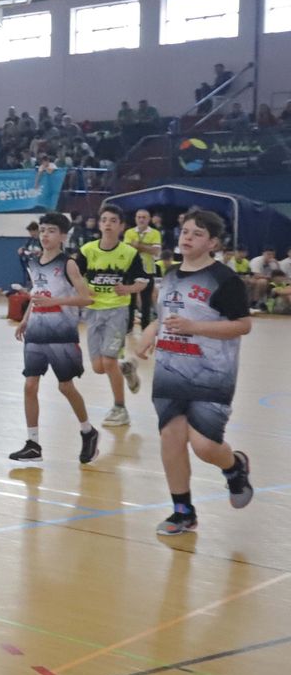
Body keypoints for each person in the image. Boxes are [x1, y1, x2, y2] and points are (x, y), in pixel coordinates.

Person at [131, 208, 254, 536]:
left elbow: (243, 325)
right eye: (185, 231)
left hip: (210, 374)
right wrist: (149, 332)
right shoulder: (170, 274)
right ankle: (182, 511)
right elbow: (163, 317)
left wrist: (194, 327)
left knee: (204, 446)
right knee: (171, 437)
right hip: (170, 370)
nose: (187, 237)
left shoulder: (225, 279)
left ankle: (235, 466)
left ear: (212, 243)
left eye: (197, 234)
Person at [8, 213, 98, 466]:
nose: (45, 235)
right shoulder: (34, 262)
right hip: (36, 330)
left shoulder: (68, 264)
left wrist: (56, 301)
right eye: (43, 230)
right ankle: (33, 444)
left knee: (65, 386)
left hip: (61, 333)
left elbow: (87, 298)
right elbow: (37, 293)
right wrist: (26, 318)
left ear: (63, 236)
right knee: (30, 386)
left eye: (51, 231)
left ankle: (88, 431)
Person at [78, 204, 149, 428]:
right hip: (93, 311)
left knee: (109, 360)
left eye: (113, 220)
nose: (108, 224)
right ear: (99, 225)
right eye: (104, 220)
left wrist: (128, 289)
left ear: (121, 226)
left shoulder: (129, 253)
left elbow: (142, 282)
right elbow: (74, 276)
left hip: (117, 311)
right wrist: (82, 289)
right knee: (99, 367)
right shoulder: (87, 250)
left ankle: (120, 408)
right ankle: (126, 368)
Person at [123, 209, 162, 331]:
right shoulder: (129, 232)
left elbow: (155, 251)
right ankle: (128, 327)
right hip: (131, 269)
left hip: (147, 270)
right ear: (135, 218)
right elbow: (127, 250)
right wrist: (146, 247)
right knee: (130, 300)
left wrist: (137, 245)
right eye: (139, 217)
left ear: (149, 219)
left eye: (144, 217)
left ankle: (145, 328)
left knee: (146, 301)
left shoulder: (155, 233)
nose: (141, 219)